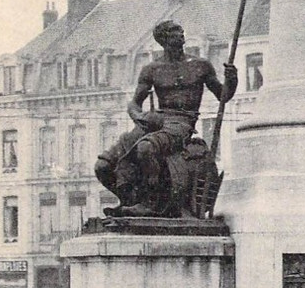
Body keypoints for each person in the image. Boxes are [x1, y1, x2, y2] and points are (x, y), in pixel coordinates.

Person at [95, 20, 238, 216]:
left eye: (180, 29)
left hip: (182, 122)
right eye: (173, 31)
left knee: (146, 148)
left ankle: (151, 204)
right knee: (103, 166)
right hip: (154, 121)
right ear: (162, 39)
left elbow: (223, 96)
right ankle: (131, 200)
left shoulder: (200, 66)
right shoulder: (152, 69)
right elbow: (134, 103)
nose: (180, 33)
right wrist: (138, 117)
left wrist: (232, 80)